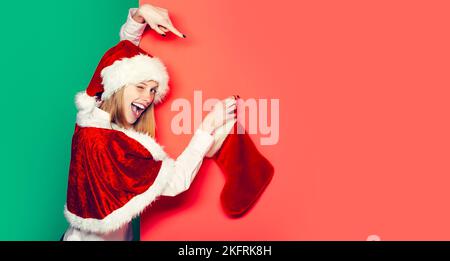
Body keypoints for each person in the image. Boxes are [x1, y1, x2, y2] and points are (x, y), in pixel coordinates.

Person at [62, 3, 237, 241]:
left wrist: (139, 17)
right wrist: (207, 128)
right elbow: (176, 181)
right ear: (118, 89)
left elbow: (119, 62)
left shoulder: (91, 116)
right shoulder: (107, 144)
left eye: (153, 89)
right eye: (141, 87)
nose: (148, 97)